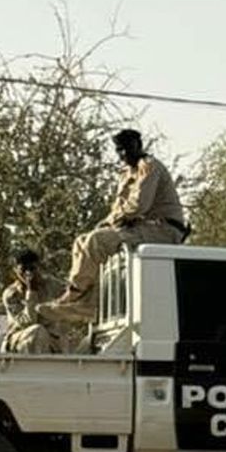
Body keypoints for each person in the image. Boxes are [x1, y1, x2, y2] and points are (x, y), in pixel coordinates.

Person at [39, 129, 187, 322]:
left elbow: (138, 205)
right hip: (139, 228)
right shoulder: (125, 173)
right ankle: (85, 300)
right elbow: (119, 208)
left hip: (162, 230)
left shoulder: (149, 167)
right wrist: (108, 221)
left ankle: (77, 296)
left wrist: (112, 220)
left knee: (96, 241)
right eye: (119, 150)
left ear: (139, 146)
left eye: (127, 149)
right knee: (81, 241)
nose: (123, 154)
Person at [1, 248, 63, 354]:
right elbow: (29, 321)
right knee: (37, 331)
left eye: (32, 268)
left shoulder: (51, 285)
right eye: (23, 269)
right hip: (19, 340)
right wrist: (31, 292)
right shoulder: (11, 294)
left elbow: (72, 294)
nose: (28, 273)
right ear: (15, 270)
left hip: (50, 341)